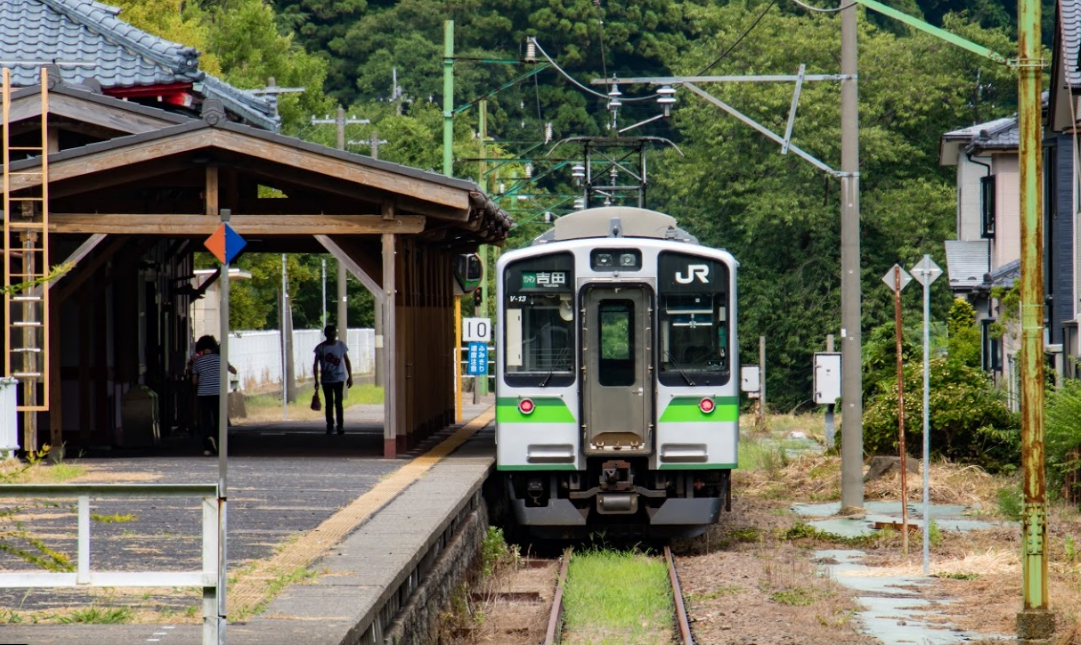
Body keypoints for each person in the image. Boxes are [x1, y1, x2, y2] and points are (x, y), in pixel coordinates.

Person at [191, 335, 236, 455]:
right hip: (218, 393)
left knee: (205, 419)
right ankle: (219, 443)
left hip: (203, 394)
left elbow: (194, 381)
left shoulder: (198, 362)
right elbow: (233, 370)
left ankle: (207, 445)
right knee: (218, 418)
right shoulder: (220, 359)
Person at [313, 324, 353, 435]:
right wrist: (316, 380)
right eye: (329, 335)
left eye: (333, 334)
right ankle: (330, 425)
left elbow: (347, 361)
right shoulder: (321, 348)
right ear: (325, 335)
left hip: (339, 378)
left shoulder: (341, 346)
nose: (331, 337)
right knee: (329, 403)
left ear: (335, 334)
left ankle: (340, 425)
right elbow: (315, 364)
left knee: (338, 403)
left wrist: (350, 376)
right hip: (326, 380)